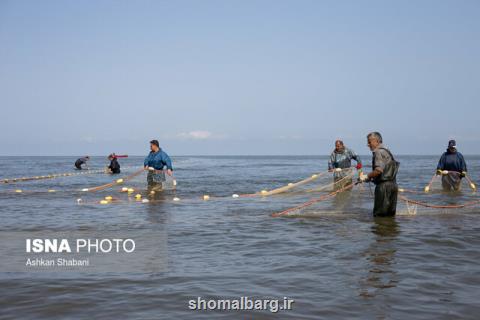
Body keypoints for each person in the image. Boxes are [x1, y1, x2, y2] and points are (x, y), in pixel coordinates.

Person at [359, 132, 399, 217]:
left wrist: (366, 176)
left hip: (383, 188)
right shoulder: (387, 151)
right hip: (393, 186)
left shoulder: (378, 152)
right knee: (390, 215)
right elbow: (385, 172)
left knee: (380, 216)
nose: (368, 144)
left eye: (369, 142)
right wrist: (368, 179)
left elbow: (378, 171)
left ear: (377, 141)